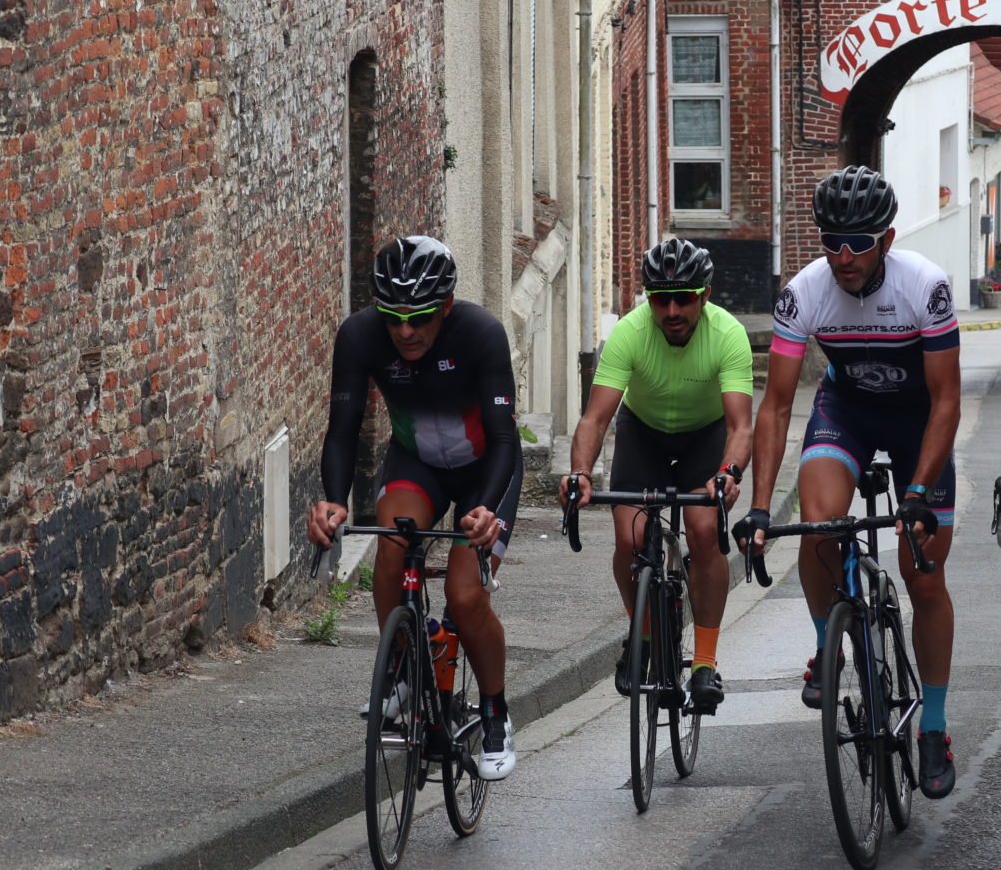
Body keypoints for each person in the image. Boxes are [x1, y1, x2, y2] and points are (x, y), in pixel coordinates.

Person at [734, 165, 963, 799]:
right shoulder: (805, 291)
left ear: (887, 240)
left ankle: (934, 729)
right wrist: (757, 508)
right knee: (820, 524)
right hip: (848, 413)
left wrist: (916, 493)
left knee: (925, 576)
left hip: (919, 419)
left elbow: (947, 401)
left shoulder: (927, 287)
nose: (843, 256)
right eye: (831, 240)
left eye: (858, 242)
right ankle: (826, 647)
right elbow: (777, 406)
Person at [307, 235, 521, 780]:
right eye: (393, 317)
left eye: (420, 317)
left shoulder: (481, 334)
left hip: (484, 467)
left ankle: (495, 711)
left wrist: (488, 509)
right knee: (390, 546)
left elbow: (503, 440)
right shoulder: (358, 336)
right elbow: (342, 433)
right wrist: (333, 501)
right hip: (417, 461)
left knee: (465, 596)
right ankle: (403, 668)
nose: (405, 331)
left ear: (445, 306)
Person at [566, 238, 754, 712]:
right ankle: (643, 635)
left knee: (705, 529)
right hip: (644, 435)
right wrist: (580, 473)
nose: (671, 310)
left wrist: (729, 473)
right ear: (647, 298)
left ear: (704, 295)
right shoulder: (630, 333)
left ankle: (706, 663)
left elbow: (740, 426)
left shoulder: (728, 335)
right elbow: (594, 419)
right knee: (630, 539)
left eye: (684, 297)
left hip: (704, 438)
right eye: (660, 298)